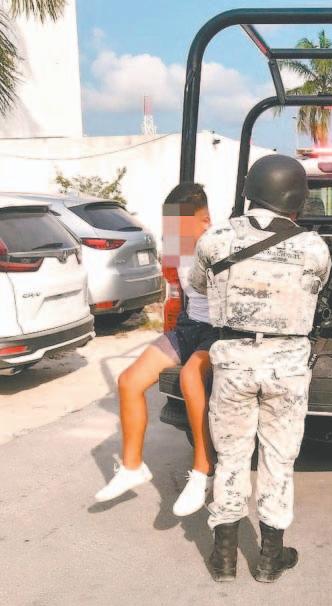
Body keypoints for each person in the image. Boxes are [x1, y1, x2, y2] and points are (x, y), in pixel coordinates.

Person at [189, 154, 331, 583]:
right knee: (278, 458)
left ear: (250, 190)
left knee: (231, 456)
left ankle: (223, 559)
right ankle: (270, 559)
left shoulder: (215, 238)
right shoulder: (313, 246)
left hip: (233, 361)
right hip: (287, 364)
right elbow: (316, 288)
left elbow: (199, 284)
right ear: (297, 199)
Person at [95, 183, 219, 517]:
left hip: (217, 332)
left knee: (191, 376)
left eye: (181, 225)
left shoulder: (219, 246)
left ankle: (203, 471)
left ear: (205, 220)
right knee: (128, 381)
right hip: (188, 327)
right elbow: (179, 293)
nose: (174, 233)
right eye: (170, 225)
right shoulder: (177, 247)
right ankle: (133, 467)